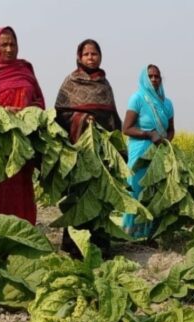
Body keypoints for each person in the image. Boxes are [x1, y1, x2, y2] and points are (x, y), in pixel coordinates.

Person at [55, 39, 121, 254]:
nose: (91, 58)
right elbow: (60, 114)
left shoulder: (104, 84)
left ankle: (99, 243)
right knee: (78, 193)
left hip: (100, 149)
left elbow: (111, 116)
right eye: (87, 54)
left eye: (94, 54)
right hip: (78, 149)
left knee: (100, 193)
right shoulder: (71, 82)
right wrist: (82, 119)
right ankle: (74, 244)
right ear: (79, 57)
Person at [0, 26, 44, 227]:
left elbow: (39, 101)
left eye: (12, 44)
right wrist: (2, 113)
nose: (9, 49)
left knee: (23, 189)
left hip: (23, 140)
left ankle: (24, 237)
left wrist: (26, 111)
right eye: (4, 44)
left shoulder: (25, 69)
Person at [122, 64, 175, 238]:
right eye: (150, 76)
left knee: (155, 192)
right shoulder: (137, 98)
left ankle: (151, 232)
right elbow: (126, 128)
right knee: (137, 190)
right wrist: (148, 134)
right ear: (144, 79)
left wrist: (165, 141)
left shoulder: (167, 103)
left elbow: (171, 129)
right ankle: (132, 231)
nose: (153, 80)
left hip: (159, 152)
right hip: (140, 152)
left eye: (156, 76)